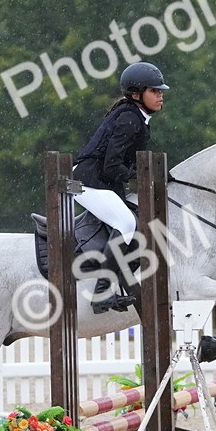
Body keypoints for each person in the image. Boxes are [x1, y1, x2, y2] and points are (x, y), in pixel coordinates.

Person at [72, 62, 168, 313]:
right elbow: (111, 166)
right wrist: (141, 175)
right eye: (154, 91)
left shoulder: (136, 116)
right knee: (126, 224)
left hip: (98, 181)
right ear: (137, 94)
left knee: (134, 218)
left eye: (160, 91)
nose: (160, 96)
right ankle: (102, 292)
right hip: (87, 182)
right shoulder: (129, 118)